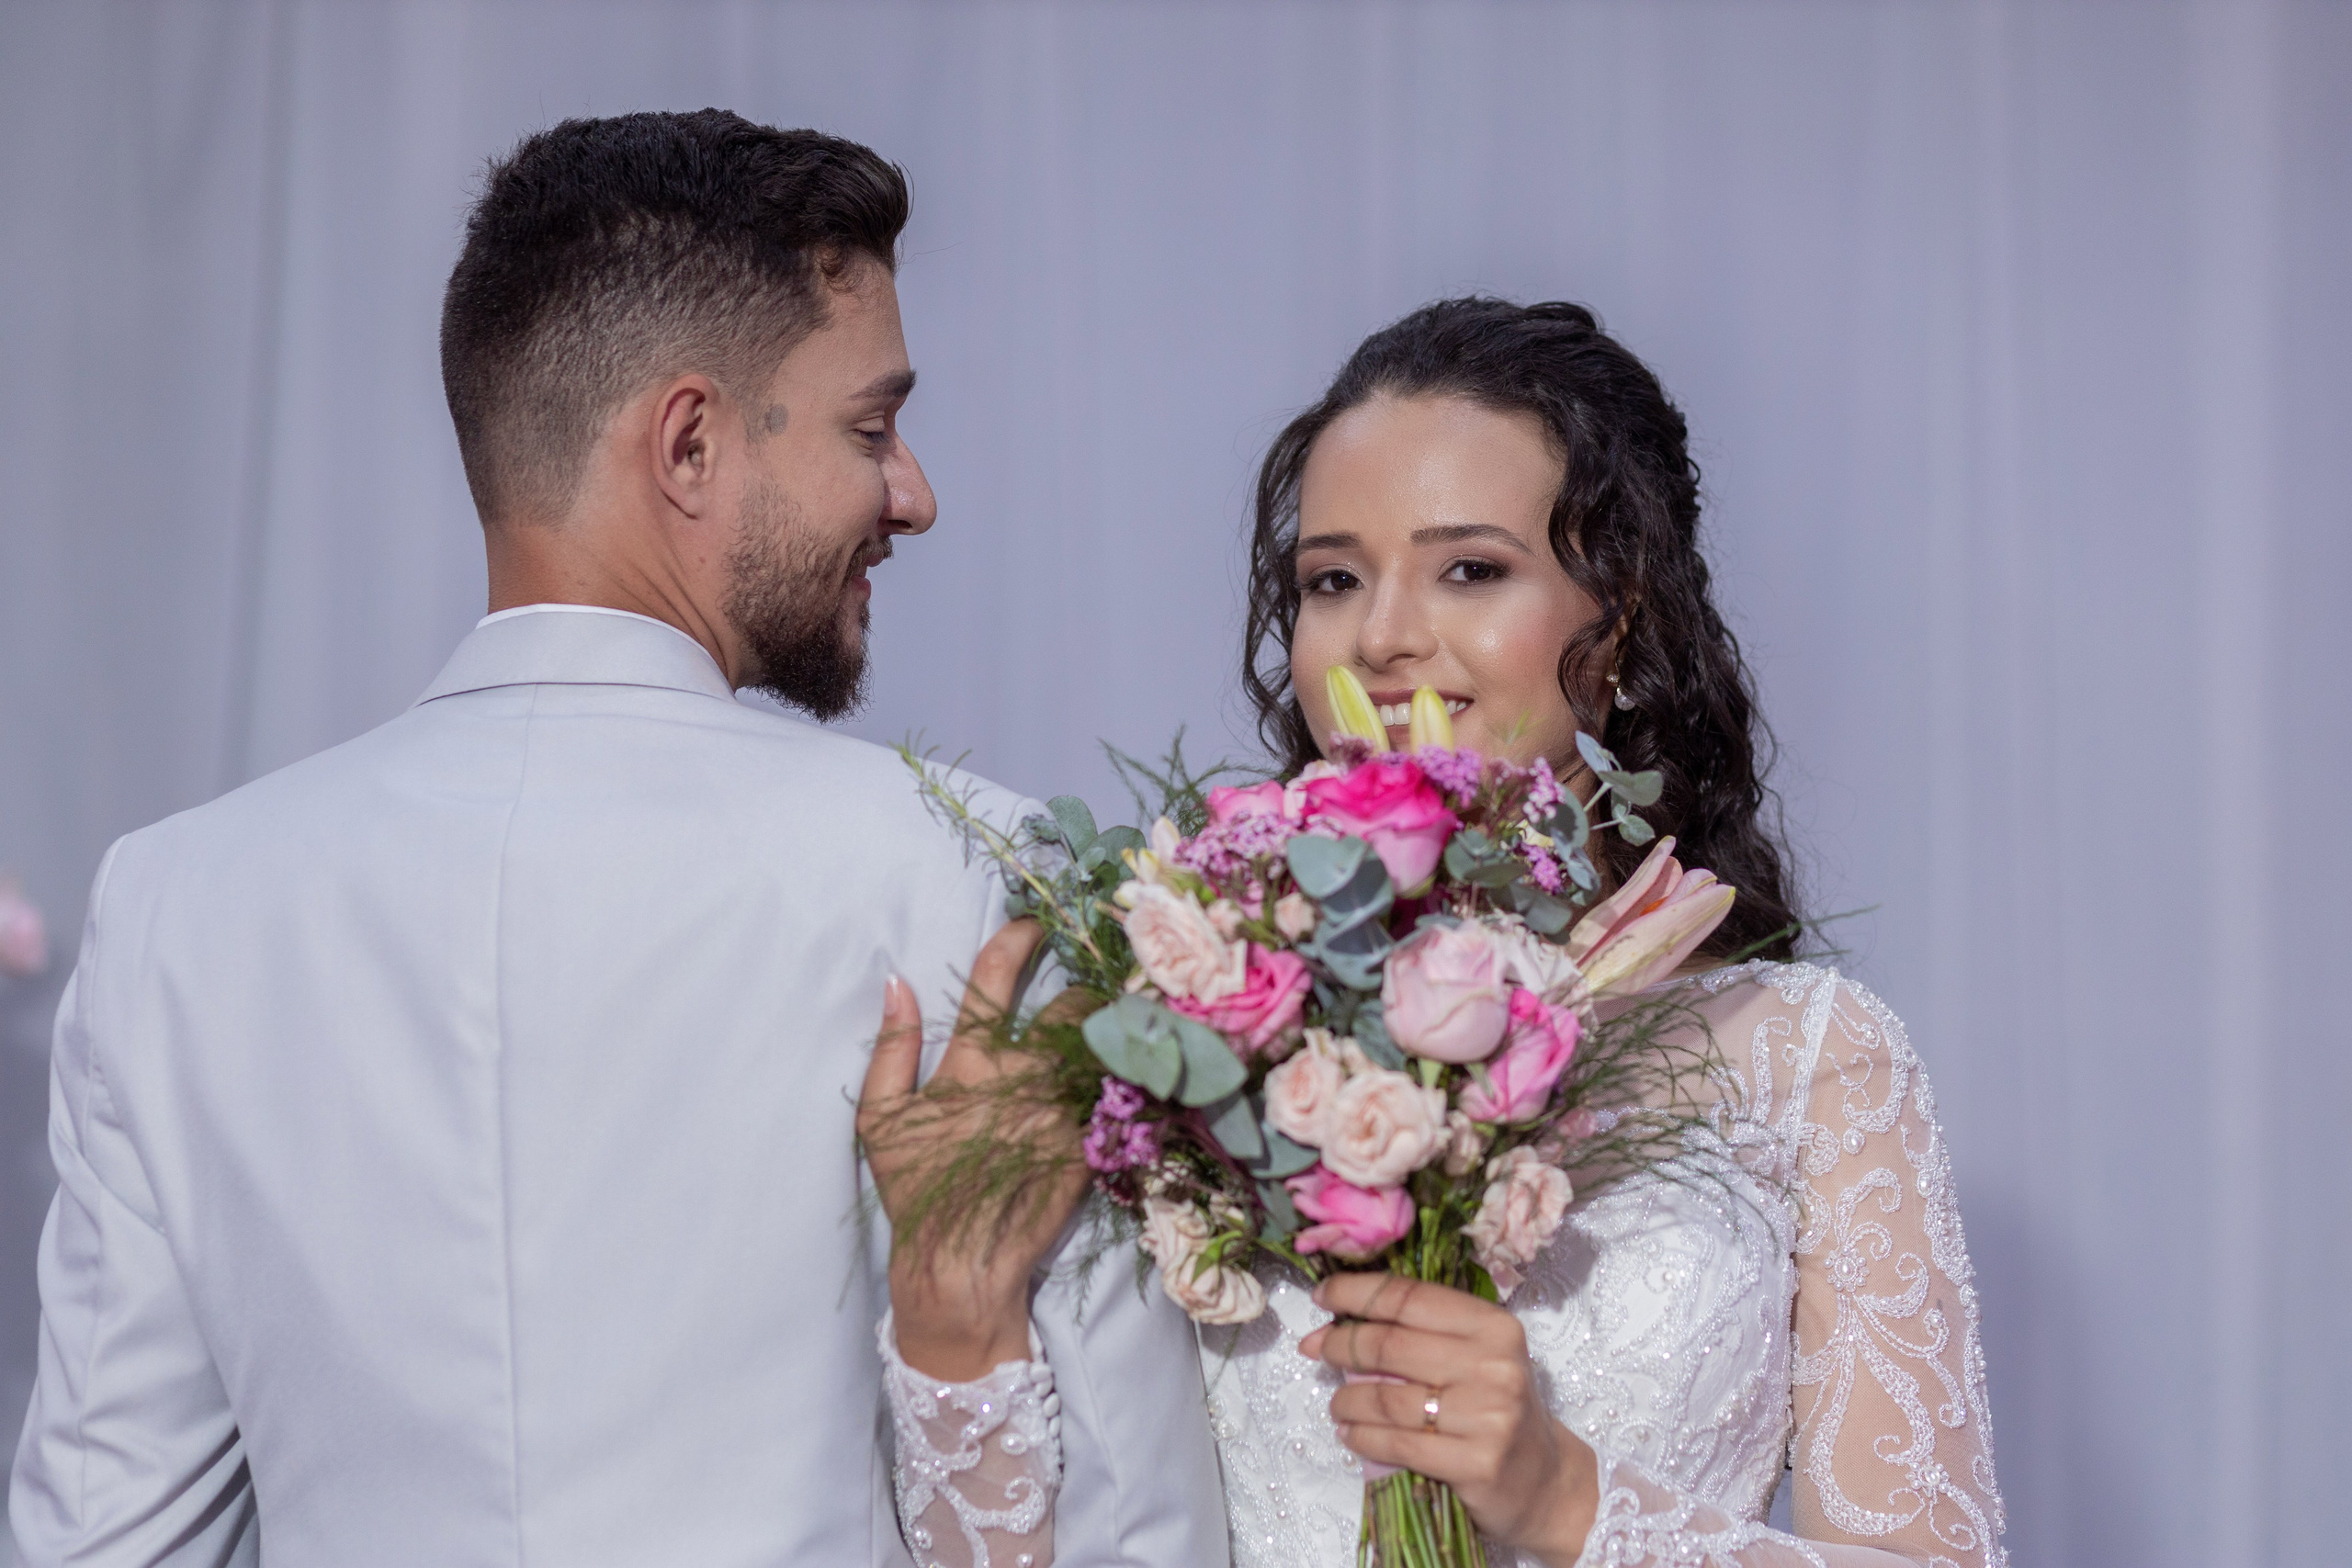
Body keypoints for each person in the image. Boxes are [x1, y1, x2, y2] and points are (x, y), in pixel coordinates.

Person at [8, 111, 1224, 1567]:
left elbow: (101, 1541)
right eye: (871, 425)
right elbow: (1136, 1527)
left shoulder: (176, 910)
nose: (913, 493)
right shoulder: (983, 879)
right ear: (691, 444)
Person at [888, 299, 2008, 1567]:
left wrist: (1569, 1501)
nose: (1383, 637)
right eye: (1332, 580)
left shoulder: (1811, 1062)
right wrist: (953, 1329)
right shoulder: (1185, 1031)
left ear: (1622, 618)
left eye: (1471, 568)